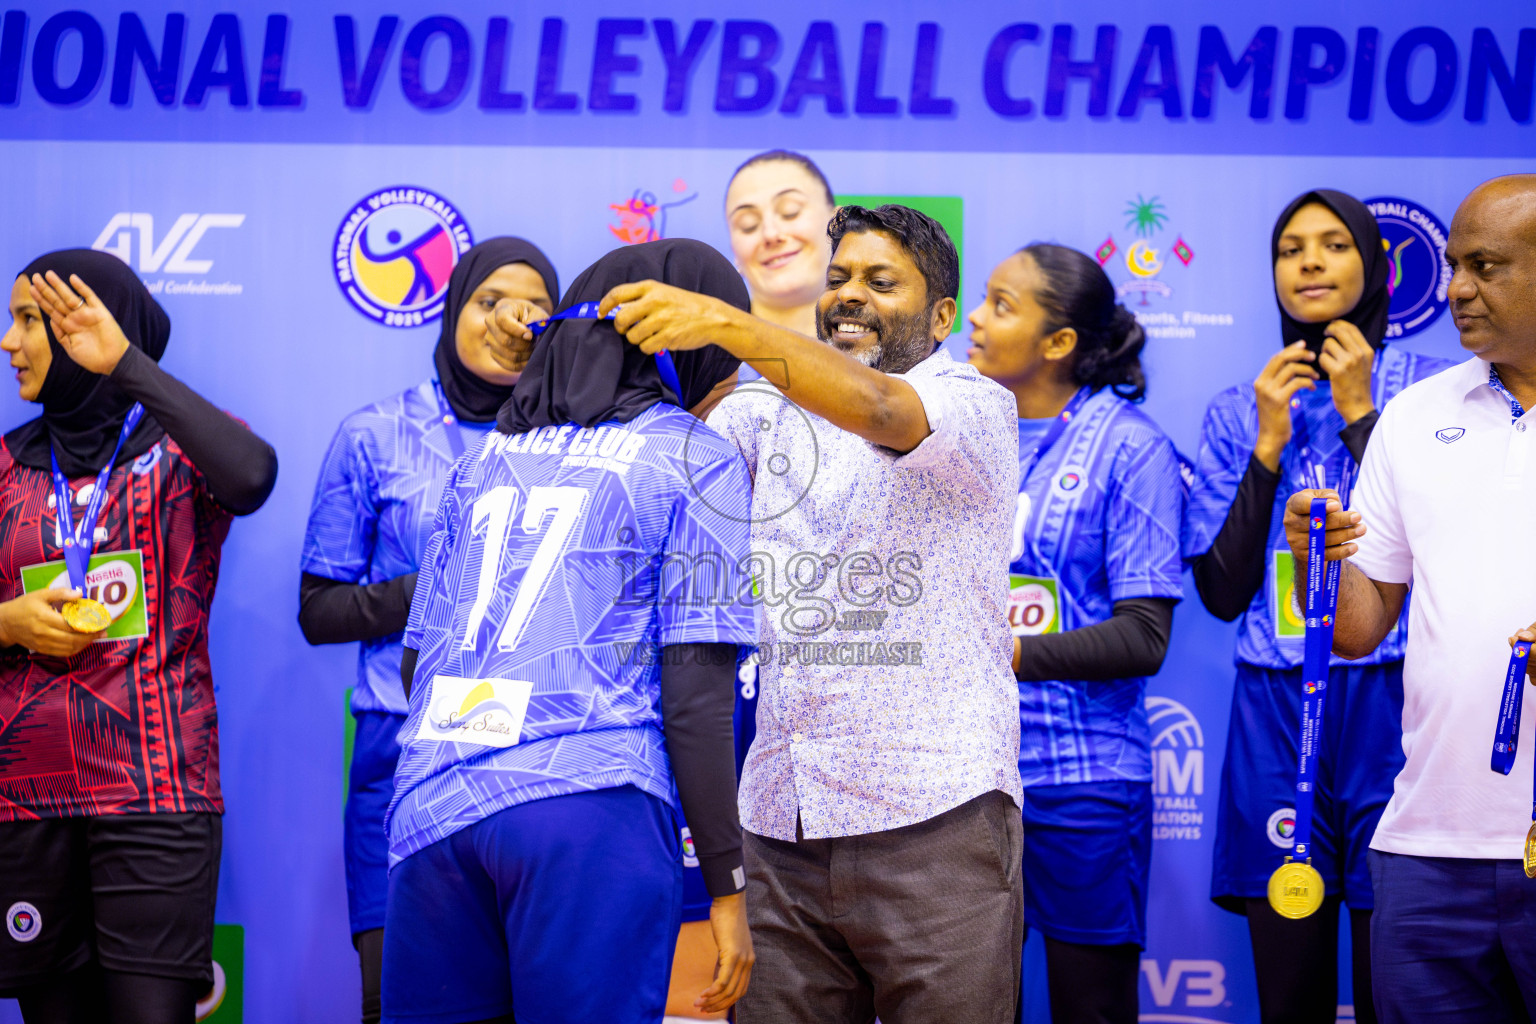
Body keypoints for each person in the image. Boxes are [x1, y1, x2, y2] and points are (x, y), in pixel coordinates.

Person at [600, 204, 1024, 1024]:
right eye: (838, 279)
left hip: (936, 819)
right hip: (779, 822)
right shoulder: (760, 412)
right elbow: (663, 478)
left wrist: (726, 323)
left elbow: (882, 410)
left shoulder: (974, 404)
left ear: (942, 316)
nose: (850, 295)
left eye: (881, 281)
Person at [382, 239, 757, 1024]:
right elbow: (696, 693)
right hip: (587, 812)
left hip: (432, 811)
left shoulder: (481, 461)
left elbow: (417, 665)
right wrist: (727, 883)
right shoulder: (696, 456)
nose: (730, 382)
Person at [1182, 190, 1452, 1024]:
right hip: (1276, 702)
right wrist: (1267, 442)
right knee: (1289, 976)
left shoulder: (1433, 395)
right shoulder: (1239, 407)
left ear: (1375, 265)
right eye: (1290, 247)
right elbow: (1221, 592)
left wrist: (1362, 412)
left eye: (1334, 244)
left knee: (1395, 978)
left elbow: (1451, 551)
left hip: (1395, 694)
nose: (1308, 262)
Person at [1281, 174, 1536, 1024]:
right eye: (1454, 265)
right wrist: (1314, 559)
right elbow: (1358, 629)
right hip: (1425, 848)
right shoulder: (1417, 414)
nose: (1456, 288)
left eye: (1485, 267)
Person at [0, 249, 277, 1023]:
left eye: (29, 321)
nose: (9, 342)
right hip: (26, 805)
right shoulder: (5, 468)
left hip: (156, 796)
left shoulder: (181, 456)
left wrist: (125, 365)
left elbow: (253, 476)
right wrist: (7, 623)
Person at [297, 238, 559, 1024]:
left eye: (536, 307)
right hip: (402, 743)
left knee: (528, 1001)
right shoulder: (374, 434)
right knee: (398, 1002)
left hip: (540, 754)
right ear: (452, 311)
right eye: (490, 301)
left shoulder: (577, 440)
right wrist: (445, 583)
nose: (511, 321)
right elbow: (319, 610)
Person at [967, 243, 1185, 1023]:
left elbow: (1144, 636)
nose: (974, 319)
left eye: (1001, 304)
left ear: (1059, 341)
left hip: (1081, 780)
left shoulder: (1130, 446)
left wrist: (1004, 653)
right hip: (964, 782)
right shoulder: (957, 433)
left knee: (1091, 1007)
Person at [663, 148, 838, 1024]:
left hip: (854, 727)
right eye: (747, 219)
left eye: (791, 209)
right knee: (714, 988)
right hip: (720, 711)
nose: (771, 232)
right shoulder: (690, 392)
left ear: (836, 223)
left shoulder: (906, 383)